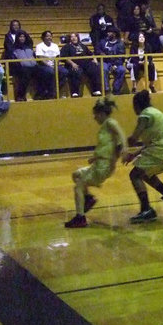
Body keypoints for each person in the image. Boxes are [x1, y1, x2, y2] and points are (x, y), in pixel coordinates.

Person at [64, 98, 127, 228]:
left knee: (79, 186)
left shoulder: (110, 122)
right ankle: (88, 199)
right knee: (76, 175)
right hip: (99, 163)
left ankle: (80, 218)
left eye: (96, 115)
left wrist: (124, 149)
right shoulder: (105, 127)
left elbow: (121, 135)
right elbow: (106, 146)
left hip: (104, 166)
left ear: (102, 114)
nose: (94, 118)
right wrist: (95, 157)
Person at [122, 91, 163, 223]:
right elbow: (150, 143)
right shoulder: (154, 112)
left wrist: (117, 146)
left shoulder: (145, 115)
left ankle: (146, 209)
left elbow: (133, 139)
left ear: (136, 105)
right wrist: (134, 154)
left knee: (135, 174)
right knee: (144, 173)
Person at [60, 32, 102, 97]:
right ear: (70, 39)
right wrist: (72, 63)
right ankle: (75, 92)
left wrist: (95, 59)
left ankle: (96, 90)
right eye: (72, 37)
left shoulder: (82, 45)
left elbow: (91, 54)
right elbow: (64, 57)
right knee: (76, 71)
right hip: (74, 64)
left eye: (75, 36)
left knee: (94, 69)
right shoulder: (66, 47)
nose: (74, 38)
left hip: (85, 63)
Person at [34, 30, 68, 99]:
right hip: (43, 66)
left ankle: (55, 90)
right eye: (47, 36)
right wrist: (49, 66)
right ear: (43, 37)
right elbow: (40, 58)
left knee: (65, 72)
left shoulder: (55, 45)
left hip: (55, 65)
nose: (49, 37)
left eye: (50, 36)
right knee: (50, 72)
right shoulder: (39, 46)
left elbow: (57, 57)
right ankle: (50, 93)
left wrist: (55, 65)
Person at [98, 26, 127, 95]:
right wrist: (100, 53)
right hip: (105, 62)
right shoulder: (103, 41)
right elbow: (97, 49)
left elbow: (121, 56)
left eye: (109, 32)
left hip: (116, 62)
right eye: (108, 32)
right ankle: (106, 89)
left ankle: (116, 89)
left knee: (122, 69)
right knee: (103, 68)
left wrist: (115, 65)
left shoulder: (120, 44)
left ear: (114, 34)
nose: (108, 34)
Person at [11, 32, 37, 101]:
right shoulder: (14, 48)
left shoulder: (29, 47)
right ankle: (21, 96)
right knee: (24, 74)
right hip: (21, 68)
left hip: (33, 67)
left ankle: (42, 94)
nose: (22, 38)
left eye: (23, 37)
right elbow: (14, 60)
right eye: (20, 37)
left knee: (45, 72)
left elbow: (34, 57)